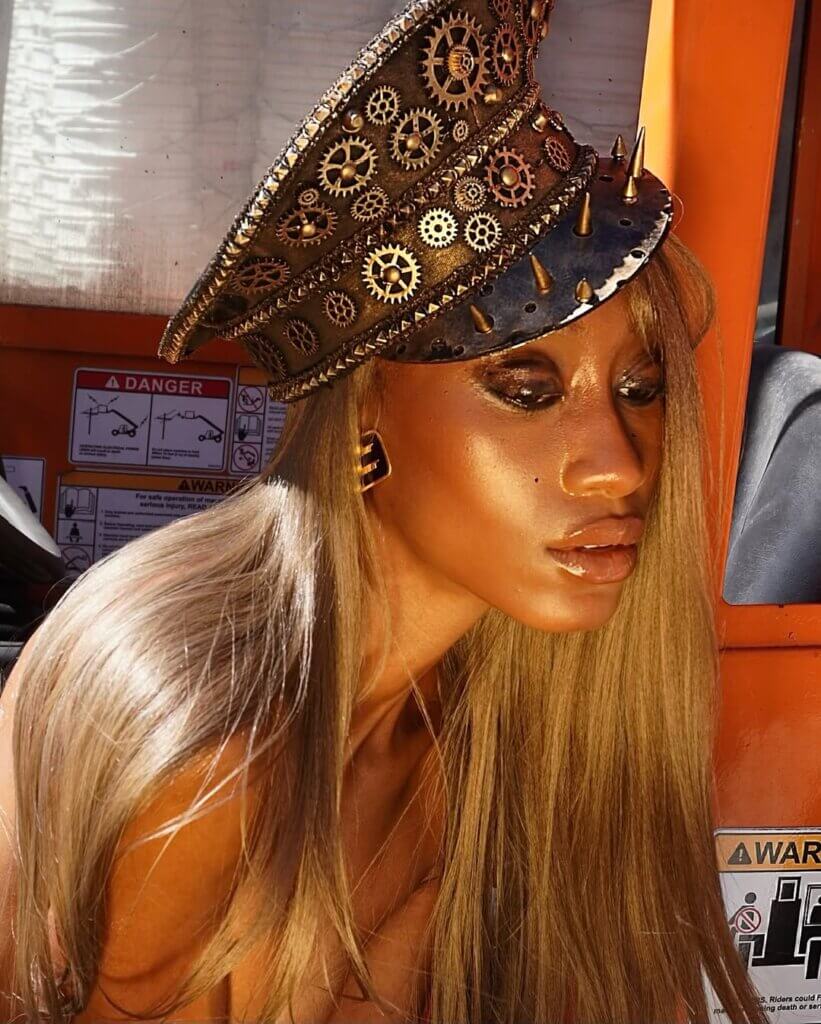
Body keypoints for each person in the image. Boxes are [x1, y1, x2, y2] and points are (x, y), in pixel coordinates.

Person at [0, 1, 770, 1022]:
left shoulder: (468, 710)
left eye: (639, 388)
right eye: (525, 390)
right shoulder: (211, 759)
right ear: (364, 411)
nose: (615, 467)